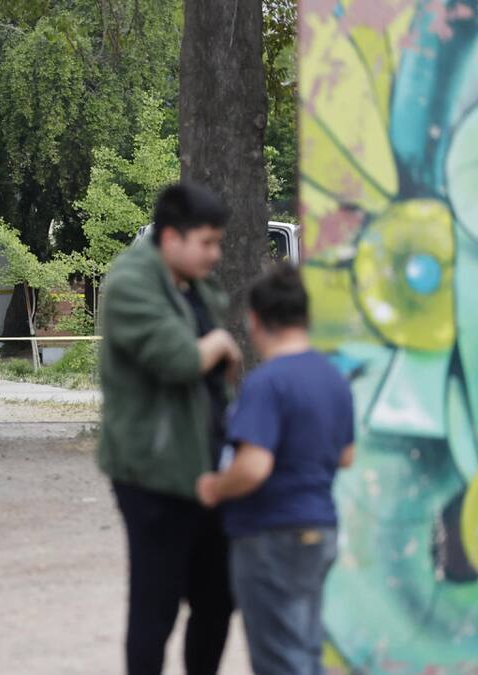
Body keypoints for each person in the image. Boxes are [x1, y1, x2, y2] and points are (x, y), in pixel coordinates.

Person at [97, 183, 243, 675]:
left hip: (205, 468)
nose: (215, 254)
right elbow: (180, 359)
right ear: (172, 238)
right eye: (207, 243)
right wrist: (220, 343)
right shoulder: (130, 283)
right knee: (155, 608)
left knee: (219, 597)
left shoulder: (191, 283)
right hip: (153, 474)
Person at [196, 263, 354, 675]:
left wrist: (214, 486)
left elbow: (254, 467)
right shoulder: (333, 377)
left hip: (271, 534)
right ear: (306, 317)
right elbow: (347, 455)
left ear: (254, 320)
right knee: (304, 650)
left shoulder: (267, 382)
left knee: (279, 661)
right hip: (321, 530)